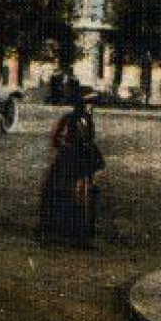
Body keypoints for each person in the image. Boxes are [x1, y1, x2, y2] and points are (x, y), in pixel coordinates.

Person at [37, 95, 103, 244]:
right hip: (68, 161)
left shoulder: (88, 121)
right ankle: (56, 230)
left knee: (84, 195)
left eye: (91, 105)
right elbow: (57, 138)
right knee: (62, 192)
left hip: (83, 162)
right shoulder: (69, 119)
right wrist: (69, 149)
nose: (90, 108)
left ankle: (81, 232)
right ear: (80, 105)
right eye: (88, 104)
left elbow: (89, 140)